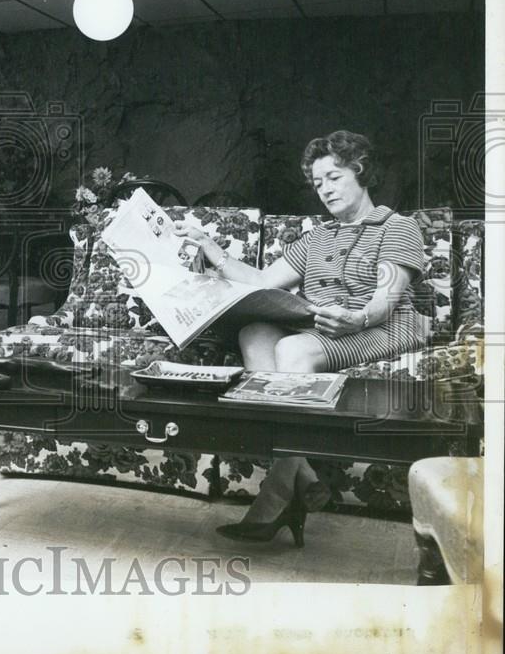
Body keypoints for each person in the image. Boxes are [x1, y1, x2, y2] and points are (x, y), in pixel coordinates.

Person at [171, 130, 426, 547]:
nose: (324, 189)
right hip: (325, 326)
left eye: (334, 177)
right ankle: (301, 472)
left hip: (383, 325)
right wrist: (207, 245)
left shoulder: (396, 228)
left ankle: (274, 497)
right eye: (318, 182)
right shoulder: (319, 236)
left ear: (360, 172)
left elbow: (385, 301)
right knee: (253, 330)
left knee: (290, 347)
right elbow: (262, 280)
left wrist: (355, 318)